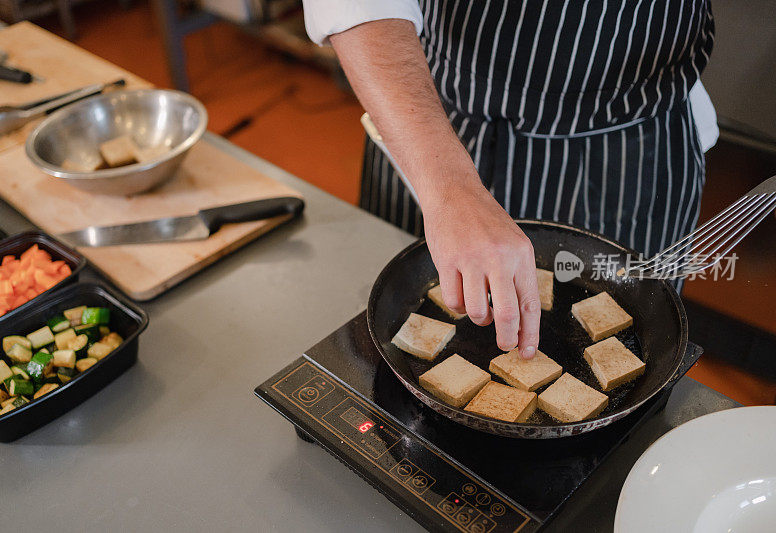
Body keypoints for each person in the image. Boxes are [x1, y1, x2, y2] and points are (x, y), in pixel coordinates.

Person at [303, 0, 718, 358]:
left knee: (638, 347)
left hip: (630, 147)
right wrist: (450, 190)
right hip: (431, 118)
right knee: (390, 344)